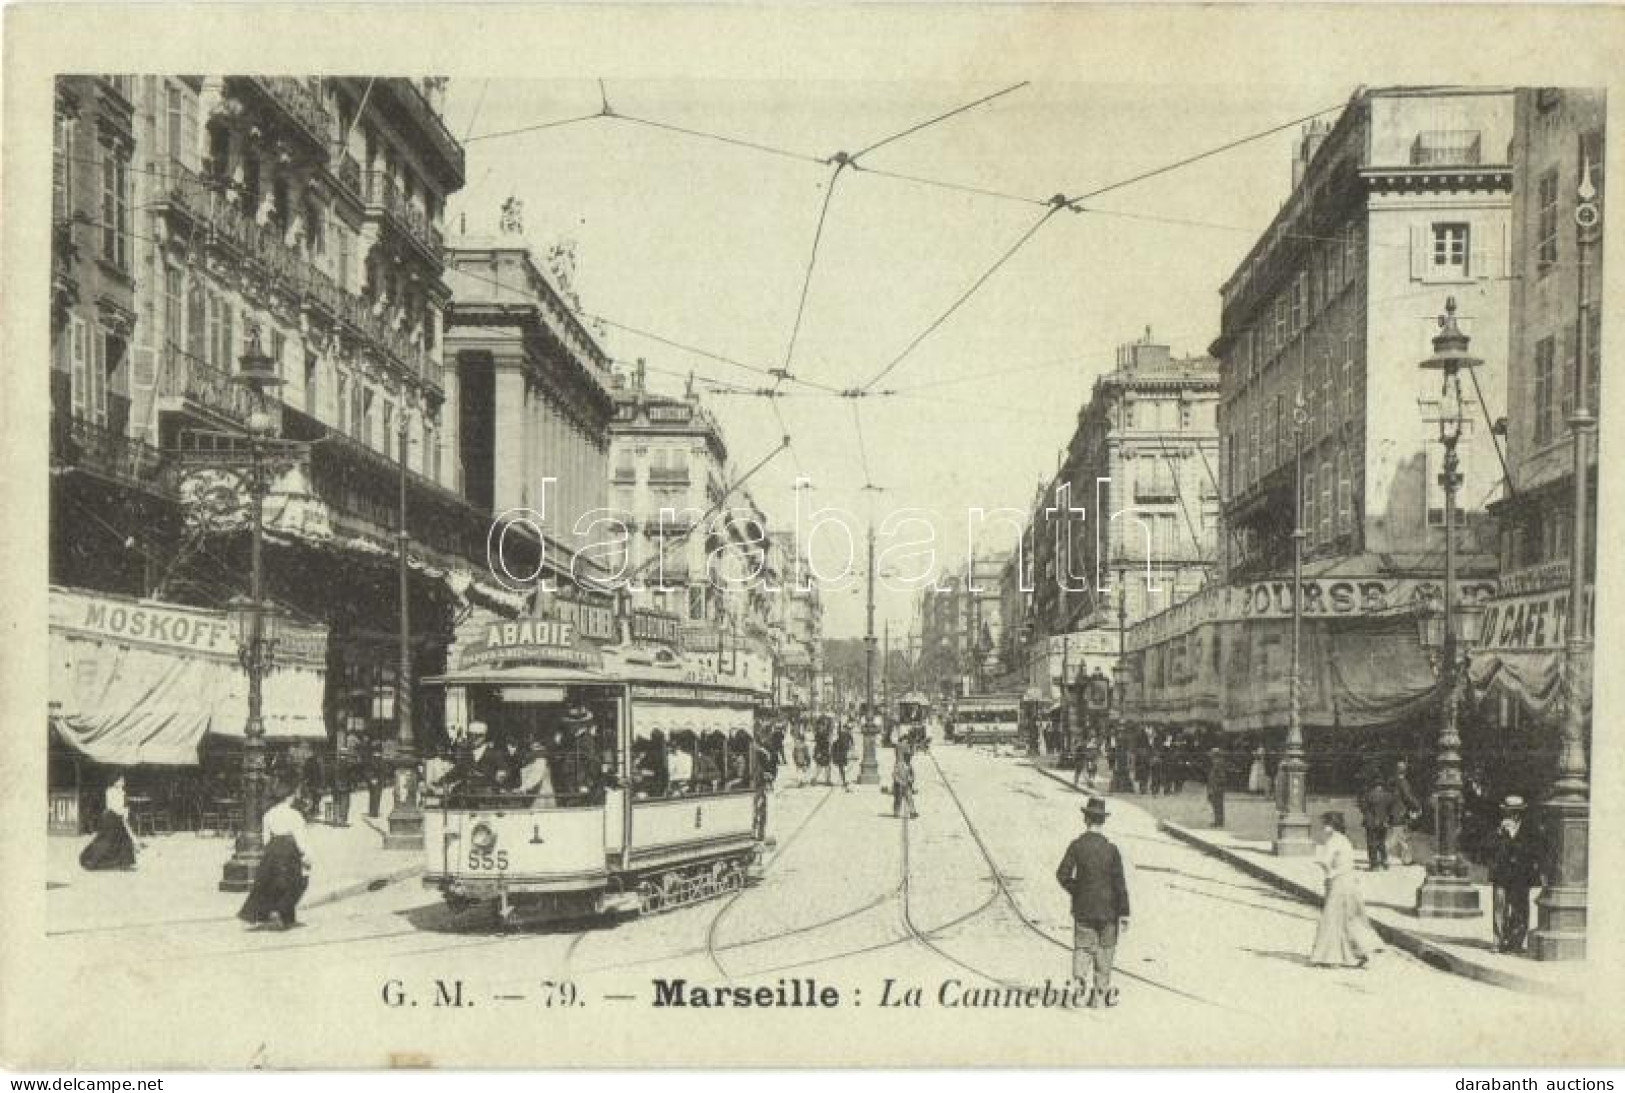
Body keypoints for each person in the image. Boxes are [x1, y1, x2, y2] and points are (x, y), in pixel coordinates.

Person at [1054, 797, 1130, 1005]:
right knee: (1105, 950)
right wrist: (1124, 913)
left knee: (1083, 948)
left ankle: (1078, 992)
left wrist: (1076, 891)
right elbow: (1120, 884)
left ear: (1086, 819)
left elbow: (1062, 874)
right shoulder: (1112, 850)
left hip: (1084, 909)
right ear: (1103, 821)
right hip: (1109, 911)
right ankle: (1099, 996)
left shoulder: (1077, 846)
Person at [1309, 811, 1380, 968]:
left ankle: (1330, 956)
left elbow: (1323, 860)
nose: (1323, 828)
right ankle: (1360, 951)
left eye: (1325, 824)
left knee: (1332, 918)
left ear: (1332, 826)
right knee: (1350, 917)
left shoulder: (1332, 841)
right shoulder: (1345, 840)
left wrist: (1328, 873)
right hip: (1350, 881)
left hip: (1338, 882)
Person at [238, 780, 312, 930]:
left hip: (272, 850)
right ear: (288, 797)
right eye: (292, 795)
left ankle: (284, 917)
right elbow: (300, 837)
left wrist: (271, 851)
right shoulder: (295, 815)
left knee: (272, 883)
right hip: (289, 849)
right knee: (296, 883)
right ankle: (281, 913)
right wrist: (306, 855)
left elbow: (265, 839)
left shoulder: (268, 814)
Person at [1489, 796, 1544, 955]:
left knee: (1520, 908)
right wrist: (1500, 834)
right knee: (1500, 906)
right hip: (1501, 873)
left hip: (1521, 874)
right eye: (1508, 812)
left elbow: (1534, 850)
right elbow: (1487, 848)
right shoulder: (1498, 827)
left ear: (1520, 813)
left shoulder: (1529, 829)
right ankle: (1498, 941)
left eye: (1514, 812)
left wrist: (1513, 838)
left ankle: (1516, 942)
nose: (1510, 815)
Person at [79, 773, 138, 871]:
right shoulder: (110, 791)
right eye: (121, 780)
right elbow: (112, 806)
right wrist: (123, 811)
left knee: (124, 839)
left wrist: (125, 810)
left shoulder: (122, 792)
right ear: (115, 781)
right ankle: (91, 861)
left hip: (118, 817)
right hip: (111, 818)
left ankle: (124, 863)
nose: (123, 782)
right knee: (106, 841)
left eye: (123, 780)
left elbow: (122, 804)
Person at [1359, 775, 1397, 870]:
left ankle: (1374, 864)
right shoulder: (1389, 796)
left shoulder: (1368, 795)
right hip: (1383, 822)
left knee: (1371, 843)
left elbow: (1363, 808)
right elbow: (1392, 811)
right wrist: (1388, 820)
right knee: (1381, 842)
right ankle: (1384, 861)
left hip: (1371, 822)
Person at [1389, 759, 1423, 866]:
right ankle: (1379, 855)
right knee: (1396, 837)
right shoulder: (1403, 782)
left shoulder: (1392, 781)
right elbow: (1407, 797)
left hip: (1394, 811)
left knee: (1401, 837)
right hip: (1399, 812)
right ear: (1404, 771)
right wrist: (1417, 806)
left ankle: (1407, 859)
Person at [891, 741, 918, 819]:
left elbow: (912, 774)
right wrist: (898, 781)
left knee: (909, 798)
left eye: (909, 757)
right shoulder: (899, 764)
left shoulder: (909, 766)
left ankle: (912, 812)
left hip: (906, 785)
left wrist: (911, 779)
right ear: (905, 757)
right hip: (899, 785)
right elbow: (894, 774)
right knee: (898, 800)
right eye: (907, 757)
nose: (909, 758)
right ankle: (896, 812)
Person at [1206, 747, 1227, 827]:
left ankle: (1219, 822)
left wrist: (1215, 786)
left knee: (1217, 805)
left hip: (1216, 787)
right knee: (1216, 805)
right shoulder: (1217, 763)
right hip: (1215, 787)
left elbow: (1221, 777)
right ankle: (1217, 821)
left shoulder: (1218, 764)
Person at [832, 723, 854, 791]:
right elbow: (852, 744)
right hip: (842, 753)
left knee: (842, 768)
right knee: (843, 767)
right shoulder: (845, 734)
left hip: (841, 753)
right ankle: (844, 780)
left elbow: (852, 744)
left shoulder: (844, 734)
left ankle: (844, 780)